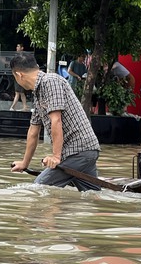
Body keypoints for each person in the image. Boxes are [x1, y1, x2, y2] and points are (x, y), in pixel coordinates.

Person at [10, 52, 101, 191]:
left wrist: (56, 156)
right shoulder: (38, 93)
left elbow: (56, 120)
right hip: (83, 152)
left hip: (78, 150)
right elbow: (33, 131)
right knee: (92, 196)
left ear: (19, 75)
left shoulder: (51, 81)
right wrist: (25, 163)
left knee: (39, 188)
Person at [10, 43, 28, 111]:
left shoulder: (22, 56)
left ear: (22, 48)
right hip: (17, 76)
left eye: (18, 46)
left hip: (20, 76)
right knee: (20, 92)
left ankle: (13, 107)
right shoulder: (18, 56)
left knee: (19, 92)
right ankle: (24, 107)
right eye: (17, 46)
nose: (17, 48)